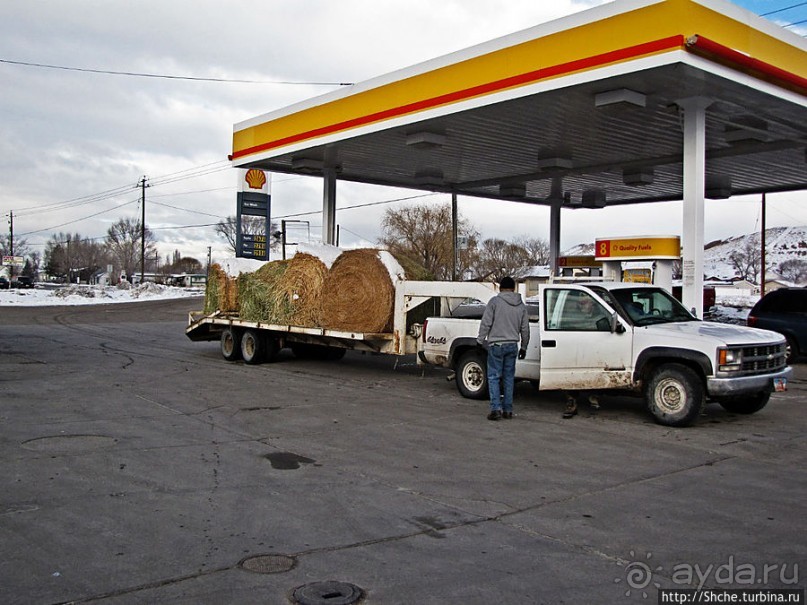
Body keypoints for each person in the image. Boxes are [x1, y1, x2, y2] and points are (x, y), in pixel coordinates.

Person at [477, 276, 530, 421]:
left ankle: (496, 409)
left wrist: (480, 340)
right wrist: (524, 346)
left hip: (496, 346)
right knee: (508, 378)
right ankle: (508, 410)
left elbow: (486, 323)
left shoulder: (494, 302)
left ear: (500, 288)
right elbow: (525, 329)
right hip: (512, 345)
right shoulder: (521, 305)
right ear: (513, 288)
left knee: (493, 377)